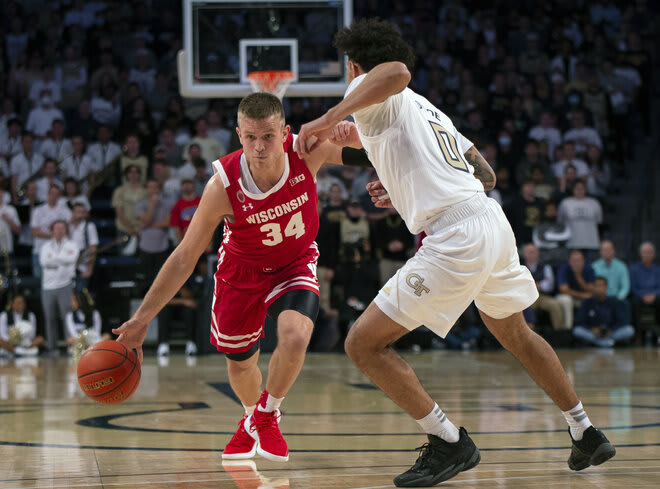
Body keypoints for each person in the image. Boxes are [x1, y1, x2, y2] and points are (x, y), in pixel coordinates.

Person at [294, 19, 615, 487]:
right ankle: (585, 431)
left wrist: (325, 120)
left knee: (362, 344)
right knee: (516, 334)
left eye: (352, 71)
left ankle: (448, 441)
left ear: (355, 65)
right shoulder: (428, 111)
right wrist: (398, 178)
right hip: (490, 220)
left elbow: (399, 71)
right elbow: (485, 173)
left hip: (455, 236)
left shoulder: (373, 85)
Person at [114, 93, 347, 463]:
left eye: (268, 136)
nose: (259, 146)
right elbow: (184, 257)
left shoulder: (307, 150)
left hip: (294, 262)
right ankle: (250, 416)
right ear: (239, 135)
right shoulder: (221, 187)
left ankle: (268, 414)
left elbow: (376, 153)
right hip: (242, 272)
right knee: (240, 363)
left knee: (296, 334)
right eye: (251, 137)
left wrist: (354, 133)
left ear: (284, 132)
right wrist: (142, 320)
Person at [40, 220, 79, 354]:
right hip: (48, 286)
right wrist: (62, 260)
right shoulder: (45, 246)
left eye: (62, 228)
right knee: (49, 317)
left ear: (66, 230)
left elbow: (72, 259)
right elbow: (44, 262)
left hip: (65, 284)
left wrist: (55, 260)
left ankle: (71, 346)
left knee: (67, 317)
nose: (59, 230)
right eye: (57, 228)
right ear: (52, 230)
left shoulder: (72, 245)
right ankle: (52, 347)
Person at [572, 277, 634, 348]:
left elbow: (621, 321)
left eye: (601, 286)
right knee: (577, 331)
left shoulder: (614, 302)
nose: (599, 288)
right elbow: (580, 321)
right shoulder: (587, 302)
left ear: (606, 287)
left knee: (629, 330)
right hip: (593, 333)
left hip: (611, 333)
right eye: (597, 286)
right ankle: (604, 343)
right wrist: (592, 329)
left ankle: (600, 343)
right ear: (594, 288)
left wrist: (611, 330)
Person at [556, 249, 596, 330]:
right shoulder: (564, 268)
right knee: (567, 300)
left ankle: (591, 329)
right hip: (564, 297)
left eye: (578, 260)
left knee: (593, 299)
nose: (576, 263)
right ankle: (568, 330)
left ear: (583, 261)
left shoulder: (589, 269)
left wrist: (578, 277)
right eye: (574, 261)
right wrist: (582, 295)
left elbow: (592, 289)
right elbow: (563, 290)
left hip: (582, 299)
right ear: (569, 261)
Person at [629, 241, 660, 344]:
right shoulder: (634, 269)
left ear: (654, 254)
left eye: (650, 252)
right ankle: (638, 335)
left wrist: (654, 295)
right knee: (634, 302)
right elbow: (632, 287)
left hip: (655, 296)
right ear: (640, 254)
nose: (647, 255)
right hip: (639, 296)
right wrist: (643, 295)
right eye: (645, 252)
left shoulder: (657, 270)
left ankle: (658, 333)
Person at [69, 203, 99, 291]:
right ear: (73, 213)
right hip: (69, 268)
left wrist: (89, 269)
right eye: (78, 212)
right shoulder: (68, 227)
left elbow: (93, 249)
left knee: (81, 294)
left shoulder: (89, 227)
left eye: (82, 212)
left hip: (83, 267)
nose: (80, 214)